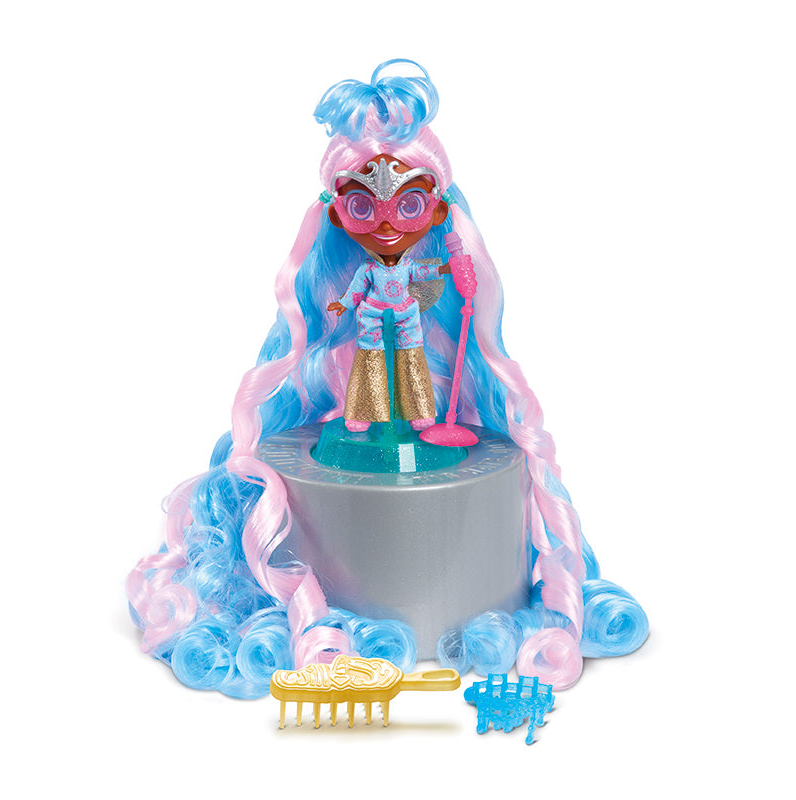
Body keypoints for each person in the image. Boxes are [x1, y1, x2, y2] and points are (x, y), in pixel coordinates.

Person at [126, 60, 648, 699]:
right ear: (336, 213)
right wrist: (344, 307)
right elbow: (350, 297)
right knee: (371, 376)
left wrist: (453, 278)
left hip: (408, 326)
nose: (385, 221)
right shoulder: (366, 269)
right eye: (360, 205)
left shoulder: (421, 263)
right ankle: (367, 417)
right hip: (374, 327)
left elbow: (431, 286)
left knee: (415, 377)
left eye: (409, 204)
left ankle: (419, 420)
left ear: (436, 207)